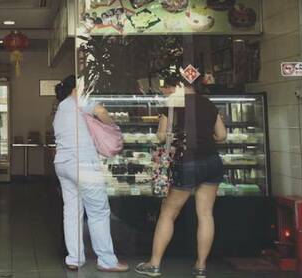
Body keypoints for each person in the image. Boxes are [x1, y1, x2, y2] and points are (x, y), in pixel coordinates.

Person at [135, 73, 227, 278]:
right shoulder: (209, 104)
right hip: (212, 161)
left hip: (187, 161)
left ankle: (154, 264)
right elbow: (222, 135)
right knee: (205, 214)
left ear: (179, 85)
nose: (167, 90)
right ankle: (201, 266)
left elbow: (161, 136)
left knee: (168, 213)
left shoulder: (172, 104)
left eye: (169, 86)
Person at [52, 75, 129, 273]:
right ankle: (107, 260)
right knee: (98, 211)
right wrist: (112, 125)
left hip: (63, 164)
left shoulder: (61, 107)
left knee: (71, 211)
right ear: (78, 88)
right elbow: (101, 111)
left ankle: (74, 258)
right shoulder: (80, 100)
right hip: (83, 163)